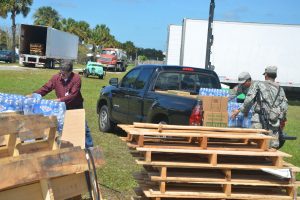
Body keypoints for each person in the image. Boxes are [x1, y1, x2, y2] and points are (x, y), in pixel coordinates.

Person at [30, 59, 93, 148]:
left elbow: (73, 96)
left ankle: (90, 149)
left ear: (70, 72)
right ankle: (67, 147)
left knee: (83, 128)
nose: (61, 75)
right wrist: (35, 94)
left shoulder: (76, 79)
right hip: (62, 108)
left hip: (76, 107)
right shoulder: (56, 78)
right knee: (62, 129)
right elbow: (46, 88)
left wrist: (58, 100)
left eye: (64, 74)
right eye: (60, 73)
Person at [231, 66, 288, 148]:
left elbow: (249, 100)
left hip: (259, 121)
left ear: (266, 75)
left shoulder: (258, 85)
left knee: (255, 145)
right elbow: (285, 106)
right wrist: (280, 118)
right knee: (272, 146)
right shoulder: (280, 89)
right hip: (274, 122)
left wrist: (240, 111)